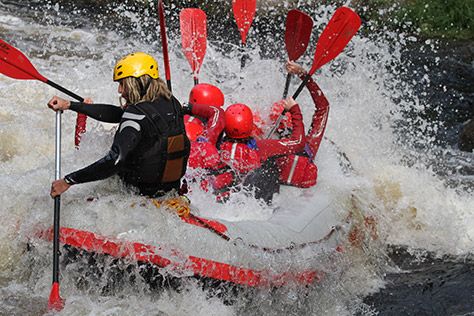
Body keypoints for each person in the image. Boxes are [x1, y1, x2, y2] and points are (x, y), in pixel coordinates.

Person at [48, 52, 190, 199]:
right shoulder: (172, 103)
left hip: (135, 197)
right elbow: (117, 113)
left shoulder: (136, 114)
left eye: (123, 84)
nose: (120, 91)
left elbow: (114, 161)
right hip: (169, 194)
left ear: (138, 82)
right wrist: (71, 105)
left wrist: (68, 181)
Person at [274, 61, 330, 188]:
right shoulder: (309, 145)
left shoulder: (264, 143)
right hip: (301, 190)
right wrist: (304, 75)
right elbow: (323, 107)